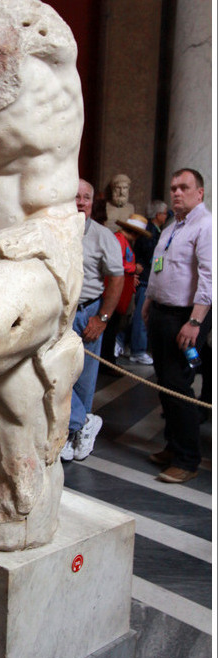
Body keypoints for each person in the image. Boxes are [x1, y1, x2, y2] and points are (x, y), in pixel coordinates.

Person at [142, 168, 212, 484]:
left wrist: (195, 321)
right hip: (161, 312)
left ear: (200, 192)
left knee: (178, 388)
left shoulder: (206, 226)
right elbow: (161, 270)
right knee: (166, 386)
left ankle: (187, 459)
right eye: (173, 188)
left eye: (184, 187)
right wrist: (147, 303)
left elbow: (209, 279)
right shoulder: (174, 226)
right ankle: (173, 446)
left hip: (184, 317)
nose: (177, 193)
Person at [61, 179, 124, 462]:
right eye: (75, 197)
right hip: (58, 311)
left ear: (91, 203)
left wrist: (102, 318)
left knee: (83, 379)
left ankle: (76, 432)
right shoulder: (55, 230)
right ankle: (79, 422)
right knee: (57, 374)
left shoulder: (103, 236)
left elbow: (117, 278)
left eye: (86, 198)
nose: (80, 202)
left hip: (87, 312)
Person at [100, 214, 151, 369]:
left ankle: (109, 360)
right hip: (115, 289)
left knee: (114, 326)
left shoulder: (124, 241)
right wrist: (133, 269)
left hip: (124, 288)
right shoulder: (119, 240)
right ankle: (107, 362)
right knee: (110, 326)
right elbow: (117, 264)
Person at [127, 200, 168, 364]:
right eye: (164, 213)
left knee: (141, 315)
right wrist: (159, 271)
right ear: (158, 215)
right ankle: (137, 350)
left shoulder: (157, 230)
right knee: (140, 316)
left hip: (150, 277)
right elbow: (154, 257)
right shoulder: (150, 233)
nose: (166, 216)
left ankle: (123, 339)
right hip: (145, 278)